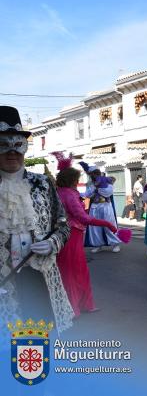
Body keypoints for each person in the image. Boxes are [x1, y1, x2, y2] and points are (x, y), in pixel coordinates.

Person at [0, 106, 73, 334]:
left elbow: (63, 225)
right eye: (4, 145)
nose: (12, 152)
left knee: (37, 339)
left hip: (40, 274)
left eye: (18, 145)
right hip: (4, 281)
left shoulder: (42, 183)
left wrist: (53, 243)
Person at [53, 153, 117, 317]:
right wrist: (107, 224)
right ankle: (76, 307)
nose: (78, 181)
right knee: (75, 272)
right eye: (76, 178)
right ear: (71, 180)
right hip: (72, 236)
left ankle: (79, 305)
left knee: (71, 272)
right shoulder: (68, 194)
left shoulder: (60, 192)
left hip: (66, 236)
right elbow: (82, 217)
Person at [80, 162, 122, 253]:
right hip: (95, 206)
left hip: (105, 206)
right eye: (90, 175)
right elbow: (87, 194)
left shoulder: (106, 180)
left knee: (109, 225)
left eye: (93, 174)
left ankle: (115, 243)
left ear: (97, 173)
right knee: (94, 227)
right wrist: (77, 194)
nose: (92, 176)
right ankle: (97, 244)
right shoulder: (90, 184)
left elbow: (108, 192)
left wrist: (98, 188)